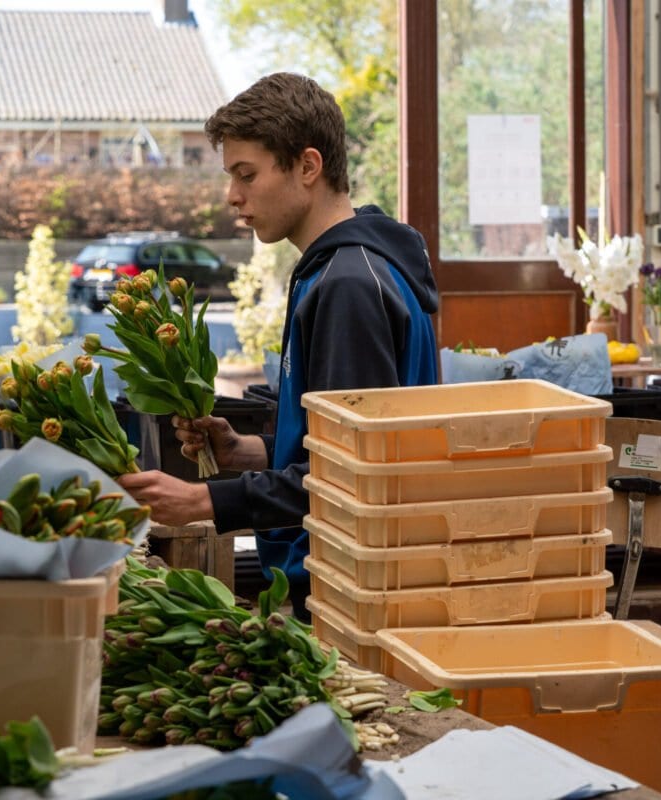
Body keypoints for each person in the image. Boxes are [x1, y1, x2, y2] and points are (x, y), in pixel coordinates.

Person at [116, 73, 439, 618]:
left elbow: (353, 476)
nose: (233, 196)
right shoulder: (345, 268)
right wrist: (251, 451)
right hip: (350, 580)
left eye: (247, 174)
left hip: (355, 593)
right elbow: (350, 443)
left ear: (308, 166)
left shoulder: (348, 286)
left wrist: (201, 500)